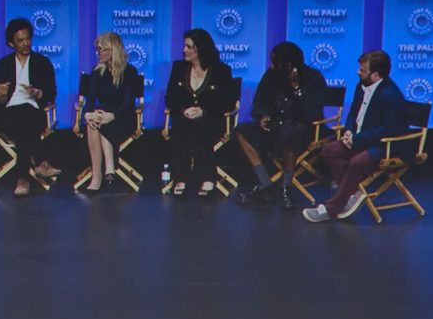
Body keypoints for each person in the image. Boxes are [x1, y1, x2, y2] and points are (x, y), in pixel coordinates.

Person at [303, 50, 410, 223]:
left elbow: (390, 130)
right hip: (359, 138)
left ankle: (332, 208)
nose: (358, 72)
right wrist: (349, 130)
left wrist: (358, 139)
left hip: (385, 145)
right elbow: (353, 113)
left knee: (356, 162)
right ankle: (352, 194)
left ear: (375, 75)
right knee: (329, 151)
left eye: (363, 70)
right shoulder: (361, 86)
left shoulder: (391, 95)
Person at [233, 41, 327, 208]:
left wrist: (297, 88)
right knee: (241, 130)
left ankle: (286, 186)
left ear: (288, 62)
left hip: (302, 128)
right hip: (275, 126)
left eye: (275, 61)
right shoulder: (271, 75)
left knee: (290, 133)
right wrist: (262, 116)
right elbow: (260, 101)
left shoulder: (313, 77)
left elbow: (312, 113)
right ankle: (265, 183)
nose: (272, 64)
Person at [0, 18, 59, 197]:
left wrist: (38, 94)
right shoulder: (2, 65)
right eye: (20, 40)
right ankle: (41, 163)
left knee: (26, 118)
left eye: (28, 38)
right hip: (7, 114)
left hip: (34, 113)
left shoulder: (42, 63)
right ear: (10, 43)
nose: (25, 43)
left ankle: (22, 179)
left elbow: (51, 93)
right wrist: (3, 94)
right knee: (23, 117)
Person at [163, 28, 235, 196]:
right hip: (185, 117)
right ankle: (181, 178)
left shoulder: (221, 70)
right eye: (184, 46)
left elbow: (227, 101)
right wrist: (184, 109)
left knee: (200, 126)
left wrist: (203, 111)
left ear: (200, 48)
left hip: (212, 118)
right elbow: (171, 97)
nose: (184, 50)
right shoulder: (179, 68)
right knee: (182, 125)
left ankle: (207, 178)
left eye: (188, 47)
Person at [79, 32, 141, 192]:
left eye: (101, 49)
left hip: (123, 117)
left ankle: (106, 169)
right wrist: (87, 114)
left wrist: (112, 116)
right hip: (102, 116)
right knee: (93, 123)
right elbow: (90, 98)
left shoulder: (130, 72)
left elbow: (128, 103)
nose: (98, 53)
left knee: (99, 122)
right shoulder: (97, 71)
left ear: (113, 50)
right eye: (97, 50)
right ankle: (101, 173)